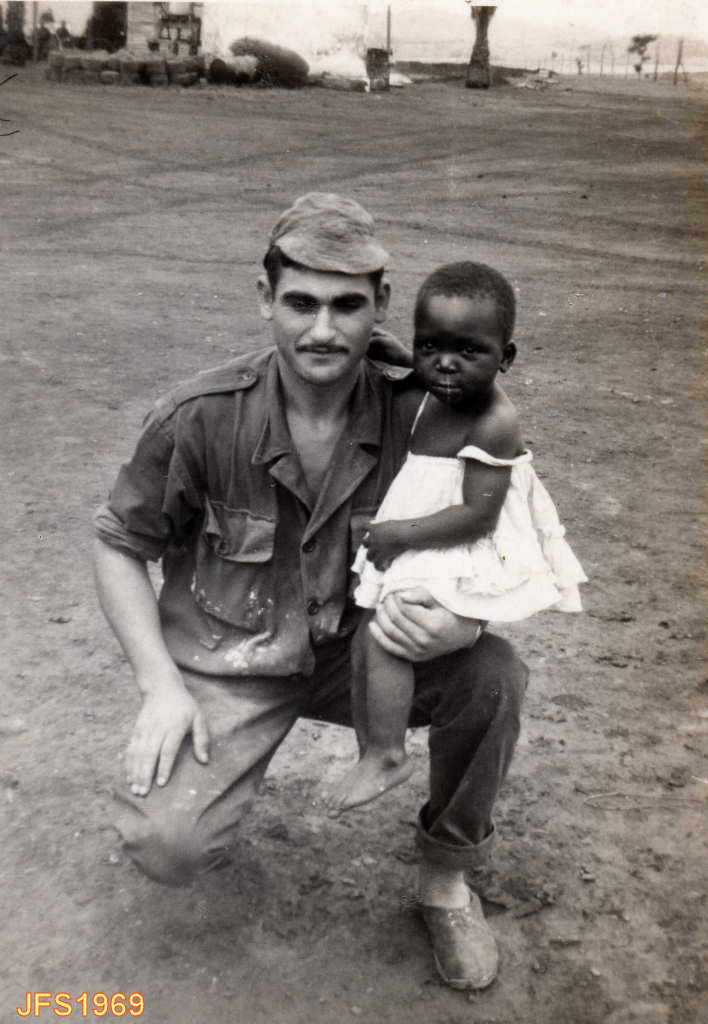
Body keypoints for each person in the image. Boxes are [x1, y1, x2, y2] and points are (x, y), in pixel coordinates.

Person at [93, 193, 529, 992]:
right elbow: (119, 544)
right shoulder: (202, 416)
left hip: (367, 655)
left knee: (492, 675)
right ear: (266, 298)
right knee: (167, 846)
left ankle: (444, 880)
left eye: (346, 306)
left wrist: (463, 624)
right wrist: (160, 688)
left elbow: (497, 527)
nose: (323, 330)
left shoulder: (425, 412)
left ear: (382, 304)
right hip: (235, 660)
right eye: (301, 302)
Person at [325, 261, 586, 815]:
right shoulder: (439, 386)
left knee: (389, 630)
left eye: (469, 351)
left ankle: (388, 753)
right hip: (429, 531)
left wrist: (398, 534)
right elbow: (432, 369)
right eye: (430, 346)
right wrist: (406, 356)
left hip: (457, 541)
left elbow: (477, 516)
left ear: (505, 357)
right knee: (369, 635)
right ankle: (375, 749)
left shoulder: (493, 421)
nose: (445, 364)